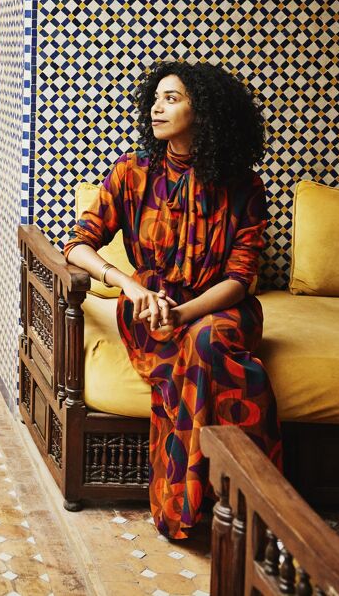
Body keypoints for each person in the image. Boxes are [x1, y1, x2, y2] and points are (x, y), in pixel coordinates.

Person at [62, 61, 282, 540]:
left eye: (173, 98)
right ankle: (237, 505)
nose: (157, 108)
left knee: (206, 342)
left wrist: (183, 312)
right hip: (147, 310)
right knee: (202, 349)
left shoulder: (244, 186)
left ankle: (205, 506)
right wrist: (131, 286)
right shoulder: (132, 172)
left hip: (218, 308)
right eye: (156, 98)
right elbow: (78, 244)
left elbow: (240, 279)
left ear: (203, 111)